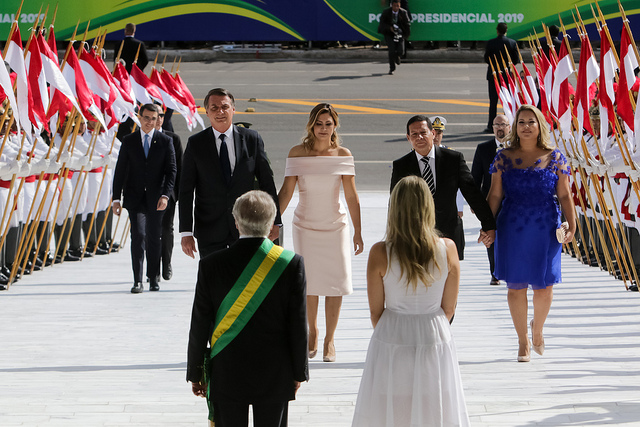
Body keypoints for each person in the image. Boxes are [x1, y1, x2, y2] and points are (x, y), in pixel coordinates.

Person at [352, 176, 470, 427]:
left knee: (391, 408)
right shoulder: (448, 248)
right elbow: (449, 308)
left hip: (392, 331)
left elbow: (376, 312)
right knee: (434, 406)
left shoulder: (380, 252)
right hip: (434, 331)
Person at [187, 190, 308, 427]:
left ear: (235, 222)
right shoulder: (290, 264)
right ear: (272, 224)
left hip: (227, 369)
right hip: (275, 370)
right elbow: (297, 325)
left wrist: (196, 372)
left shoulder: (211, 265)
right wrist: (298, 372)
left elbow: (199, 323)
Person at [487, 105, 576, 362]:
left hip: (546, 227)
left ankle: (537, 330)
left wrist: (572, 224)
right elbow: (495, 194)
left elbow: (564, 194)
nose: (526, 126)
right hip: (512, 227)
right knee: (516, 286)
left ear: (540, 127)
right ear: (515, 127)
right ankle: (522, 341)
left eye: (531, 121)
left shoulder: (555, 157)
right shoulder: (503, 157)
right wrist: (488, 225)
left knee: (545, 285)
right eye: (522, 121)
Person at [278, 103, 364, 363]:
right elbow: (286, 192)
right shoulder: (297, 153)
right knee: (309, 282)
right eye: (319, 123)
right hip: (305, 225)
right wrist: (272, 222)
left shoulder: (343, 154)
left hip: (335, 226)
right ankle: (312, 331)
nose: (323, 128)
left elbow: (351, 196)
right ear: (311, 125)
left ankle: (330, 339)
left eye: (328, 124)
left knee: (335, 282)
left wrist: (358, 231)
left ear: (335, 125)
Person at [179, 88, 281, 259]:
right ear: (207, 112)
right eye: (214, 108)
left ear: (233, 109)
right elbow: (186, 190)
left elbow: (267, 182)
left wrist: (275, 221)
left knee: (245, 282)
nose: (220, 112)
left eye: (225, 107)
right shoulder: (196, 143)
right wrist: (186, 232)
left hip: (247, 228)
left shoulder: (251, 139)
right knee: (214, 283)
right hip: (209, 229)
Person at [391, 115, 495, 260]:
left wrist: (488, 226)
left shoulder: (453, 159)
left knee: (450, 281)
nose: (419, 137)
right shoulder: (401, 166)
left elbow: (473, 195)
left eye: (423, 132)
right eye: (414, 134)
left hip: (449, 234)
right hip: (415, 236)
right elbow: (395, 204)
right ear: (408, 138)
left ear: (432, 133)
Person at [112, 103, 177, 293]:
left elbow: (171, 170)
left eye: (153, 118)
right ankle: (137, 280)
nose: (149, 122)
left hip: (157, 198)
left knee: (153, 238)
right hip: (135, 197)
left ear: (158, 119)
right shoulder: (129, 140)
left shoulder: (165, 141)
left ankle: (153, 277)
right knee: (138, 235)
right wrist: (116, 198)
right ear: (139, 118)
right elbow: (121, 170)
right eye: (146, 118)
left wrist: (166, 195)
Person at [472, 114, 511, 285]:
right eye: (496, 125)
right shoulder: (483, 148)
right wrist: (476, 203)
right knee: (490, 234)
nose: (500, 128)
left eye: (503, 125)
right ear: (493, 128)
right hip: (490, 201)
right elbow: (475, 179)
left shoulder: (517, 148)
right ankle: (495, 272)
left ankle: (512, 270)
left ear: (509, 127)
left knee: (512, 237)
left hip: (513, 202)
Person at [429, 115, 467, 257]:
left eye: (439, 133)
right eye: (433, 132)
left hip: (448, 208)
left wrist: (459, 207)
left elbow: (458, 184)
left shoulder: (451, 155)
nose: (436, 136)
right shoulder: (417, 155)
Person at [155, 110, 183, 281]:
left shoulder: (173, 139)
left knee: (166, 229)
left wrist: (176, 194)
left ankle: (166, 264)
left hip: (167, 193)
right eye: (152, 115)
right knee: (149, 232)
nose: (157, 119)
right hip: (147, 194)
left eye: (160, 115)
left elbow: (180, 168)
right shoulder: (137, 138)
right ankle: (153, 267)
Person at [484, 22, 519, 133]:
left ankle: (491, 125)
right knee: (506, 102)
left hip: (493, 74)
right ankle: (506, 124)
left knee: (493, 102)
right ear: (506, 30)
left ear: (497, 30)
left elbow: (486, 58)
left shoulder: (491, 43)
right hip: (506, 75)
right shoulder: (512, 43)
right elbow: (515, 60)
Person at [377, 0, 411, 75]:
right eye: (395, 6)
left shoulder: (403, 12)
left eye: (398, 6)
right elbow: (382, 24)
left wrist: (405, 35)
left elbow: (407, 24)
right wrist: (389, 28)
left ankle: (397, 56)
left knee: (401, 51)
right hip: (389, 33)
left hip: (400, 33)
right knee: (391, 50)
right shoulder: (386, 12)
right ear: (391, 5)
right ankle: (392, 68)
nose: (396, 8)